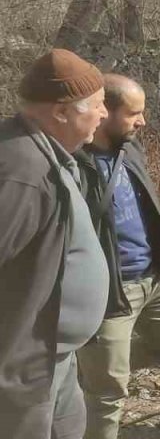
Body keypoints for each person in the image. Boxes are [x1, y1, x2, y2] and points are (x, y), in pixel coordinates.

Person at [75, 75, 160, 439]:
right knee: (108, 394)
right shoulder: (73, 165)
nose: (143, 121)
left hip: (154, 279)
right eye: (134, 113)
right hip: (110, 292)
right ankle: (98, 374)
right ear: (103, 113)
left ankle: (91, 366)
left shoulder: (131, 149)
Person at [0, 48, 108, 439]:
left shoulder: (51, 155)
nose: (105, 114)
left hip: (55, 360)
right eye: (96, 105)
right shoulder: (21, 172)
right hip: (21, 375)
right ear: (62, 111)